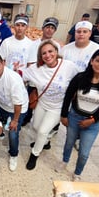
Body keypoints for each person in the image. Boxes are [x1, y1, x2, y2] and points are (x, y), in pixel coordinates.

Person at [58, 48, 99, 181]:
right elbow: (68, 96)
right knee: (69, 143)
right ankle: (64, 161)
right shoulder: (80, 77)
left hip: (92, 123)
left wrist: (93, 120)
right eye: (98, 61)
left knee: (84, 153)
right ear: (92, 61)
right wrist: (64, 115)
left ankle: (78, 173)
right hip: (74, 118)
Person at [23, 40, 78, 170]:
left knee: (42, 132)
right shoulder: (36, 69)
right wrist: (15, 69)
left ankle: (34, 154)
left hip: (57, 108)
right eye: (44, 53)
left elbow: (80, 79)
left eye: (50, 51)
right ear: (40, 56)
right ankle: (46, 142)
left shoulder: (68, 66)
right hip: (42, 104)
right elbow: (22, 75)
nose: (47, 55)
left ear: (56, 52)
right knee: (35, 127)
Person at [0, 54, 28, 171]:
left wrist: (15, 120)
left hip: (17, 109)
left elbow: (18, 103)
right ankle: (0, 133)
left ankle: (13, 155)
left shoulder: (13, 79)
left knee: (13, 133)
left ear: (3, 63)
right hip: (2, 104)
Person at [61, 20, 99, 150]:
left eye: (85, 32)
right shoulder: (66, 49)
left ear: (90, 33)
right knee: (67, 112)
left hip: (87, 89)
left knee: (83, 113)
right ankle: (63, 133)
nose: (81, 34)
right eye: (78, 32)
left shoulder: (97, 50)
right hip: (67, 87)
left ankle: (78, 138)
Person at [23, 17, 62, 127]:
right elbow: (30, 63)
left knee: (45, 104)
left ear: (55, 30)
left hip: (49, 81)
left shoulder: (57, 46)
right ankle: (27, 117)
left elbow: (57, 64)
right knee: (31, 101)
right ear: (43, 28)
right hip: (34, 80)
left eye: (52, 28)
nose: (49, 30)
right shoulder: (33, 44)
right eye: (47, 27)